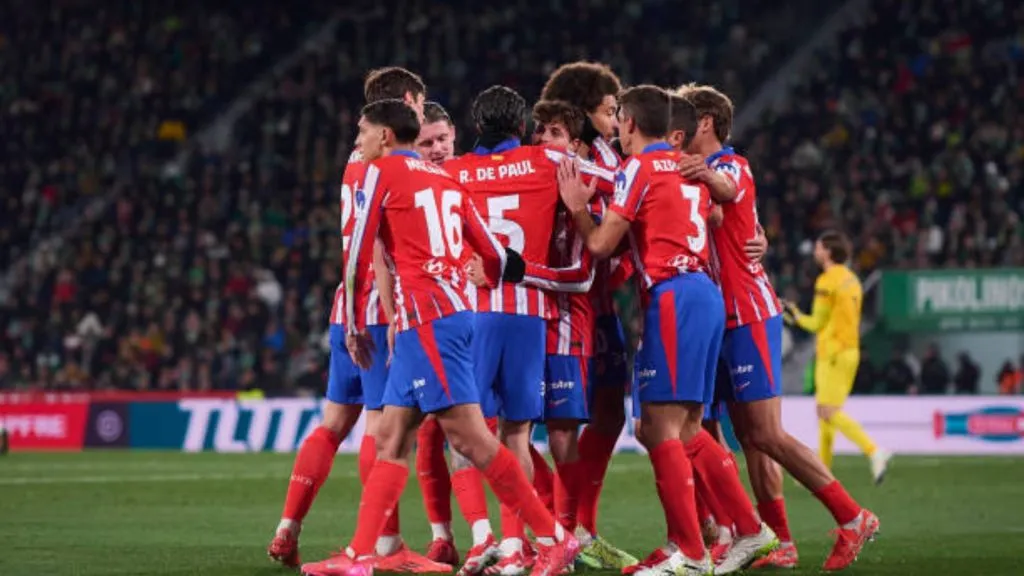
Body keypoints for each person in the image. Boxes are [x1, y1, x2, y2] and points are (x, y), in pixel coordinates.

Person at [300, 99, 579, 576]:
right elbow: (495, 255)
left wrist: (352, 322)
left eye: (363, 134)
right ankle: (361, 555)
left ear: (386, 136)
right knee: (392, 437)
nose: (358, 143)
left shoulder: (380, 174)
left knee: (472, 439)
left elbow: (358, 253)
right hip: (440, 316)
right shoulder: (450, 178)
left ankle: (553, 539)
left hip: (427, 320)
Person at [560, 85, 775, 576]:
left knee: (659, 428)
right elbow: (720, 215)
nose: (615, 125)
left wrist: (576, 206)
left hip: (674, 296)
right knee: (688, 428)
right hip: (705, 292)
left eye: (619, 118)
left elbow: (599, 244)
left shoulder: (638, 168)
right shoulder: (687, 166)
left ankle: (695, 553)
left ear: (630, 123)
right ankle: (748, 528)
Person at [679, 84, 879, 572]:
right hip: (713, 320)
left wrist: (698, 173)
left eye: (685, 121)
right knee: (716, 430)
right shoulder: (691, 176)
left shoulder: (730, 165)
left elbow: (726, 190)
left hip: (747, 315)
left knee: (765, 433)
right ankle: (775, 541)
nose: (677, 132)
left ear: (705, 122)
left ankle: (853, 517)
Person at [268, 66, 444, 573]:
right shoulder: (388, 164)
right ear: (407, 101)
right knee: (385, 430)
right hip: (377, 311)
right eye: (420, 100)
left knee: (331, 424)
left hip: (344, 308)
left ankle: (287, 529)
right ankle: (384, 548)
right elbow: (386, 251)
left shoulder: (356, 158)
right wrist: (393, 315)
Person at [444, 85, 606, 576]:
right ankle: (515, 552)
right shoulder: (548, 160)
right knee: (517, 434)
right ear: (521, 127)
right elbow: (618, 178)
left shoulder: (451, 172)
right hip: (530, 312)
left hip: (473, 310)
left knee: (466, 435)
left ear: (476, 127)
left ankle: (482, 537)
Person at [539, 62, 637, 570]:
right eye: (606, 109)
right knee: (559, 423)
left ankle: (580, 525)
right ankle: (557, 525)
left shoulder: (604, 152)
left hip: (599, 303)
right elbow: (608, 184)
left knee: (609, 413)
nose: (616, 117)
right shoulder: (569, 153)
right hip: (564, 302)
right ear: (583, 113)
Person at [531, 99, 598, 538]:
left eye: (553, 133)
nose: (542, 141)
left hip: (566, 327)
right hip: (527, 323)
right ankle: (545, 521)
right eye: (538, 132)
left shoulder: (583, 193)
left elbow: (581, 276)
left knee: (560, 437)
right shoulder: (532, 187)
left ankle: (567, 533)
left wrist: (521, 272)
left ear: (574, 145)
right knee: (494, 425)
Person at [784, 230, 893, 486]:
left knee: (827, 411)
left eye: (819, 247)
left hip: (831, 353)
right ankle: (822, 472)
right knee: (827, 414)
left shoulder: (826, 281)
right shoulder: (852, 279)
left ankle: (874, 451)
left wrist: (793, 314)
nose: (815, 251)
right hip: (850, 351)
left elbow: (816, 324)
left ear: (829, 252)